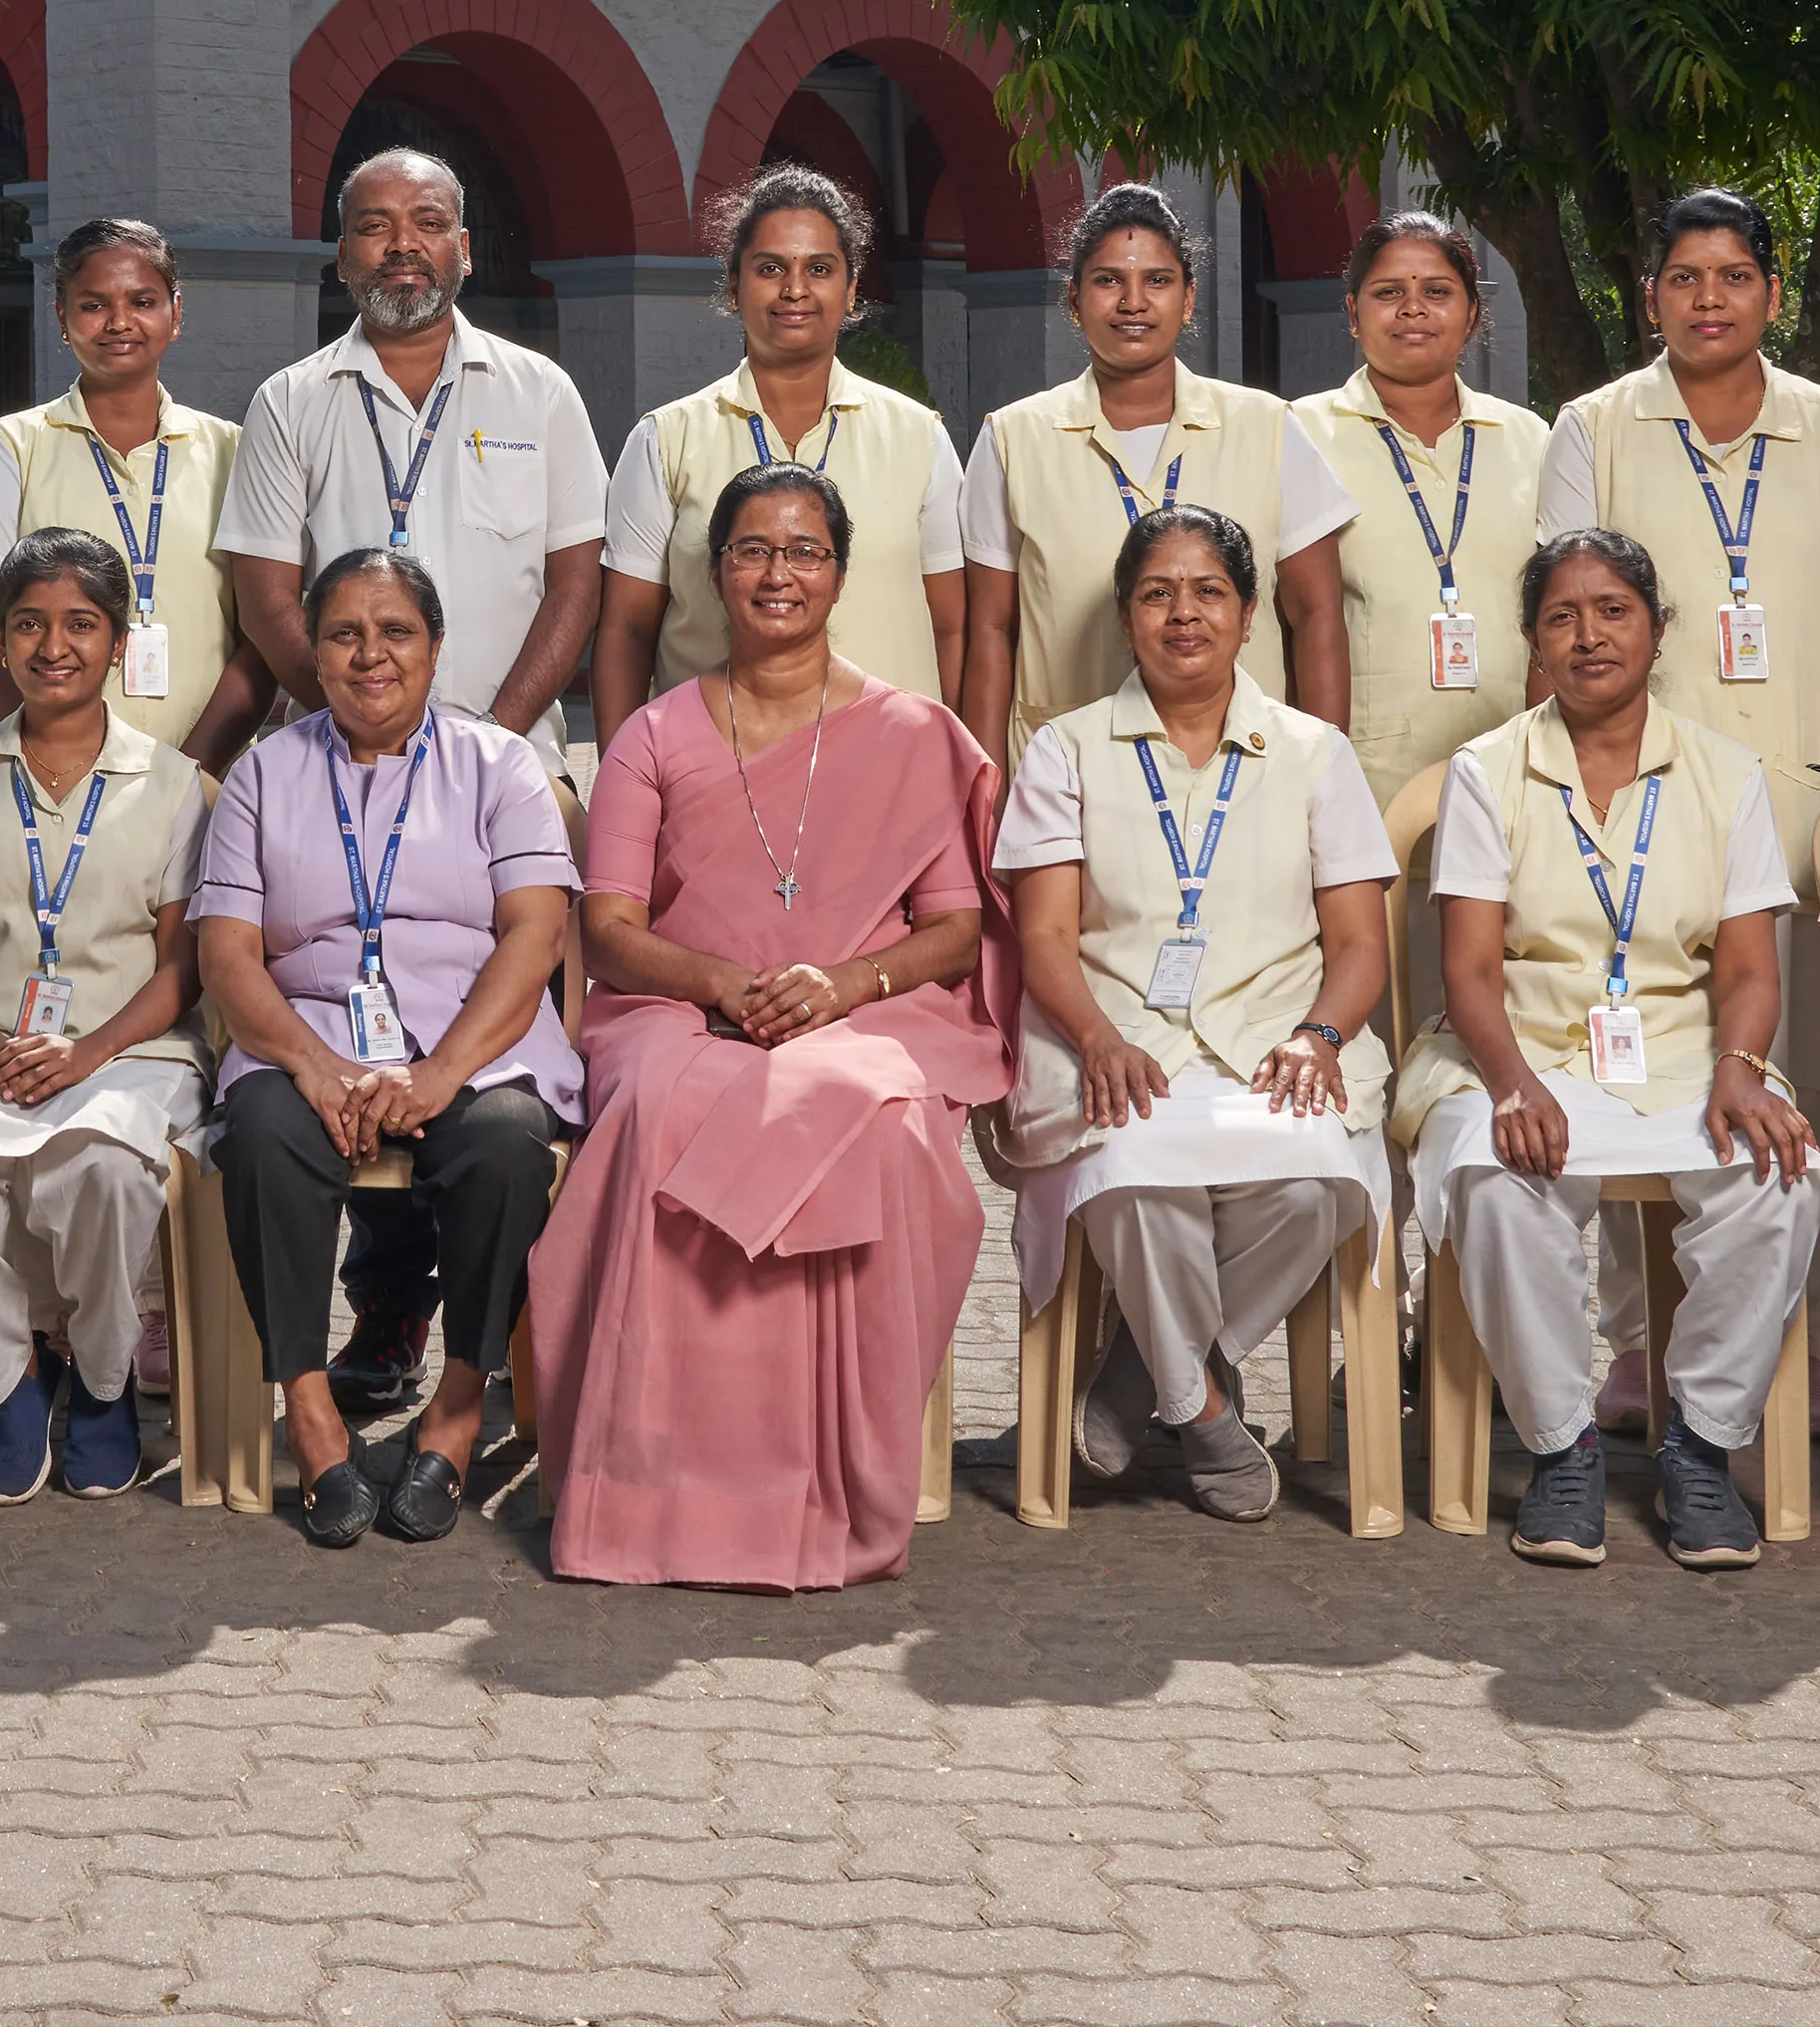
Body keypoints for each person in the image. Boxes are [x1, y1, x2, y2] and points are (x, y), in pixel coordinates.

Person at [537, 464, 1007, 1589]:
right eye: (752, 551)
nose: (777, 573)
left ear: (840, 574)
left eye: (803, 552)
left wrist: (845, 985)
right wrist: (721, 984)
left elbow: (952, 930)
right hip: (678, 1008)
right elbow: (608, 928)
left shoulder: (912, 733)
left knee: (874, 1110)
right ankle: (646, 1496)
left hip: (868, 1006)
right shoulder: (651, 736)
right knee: (661, 1106)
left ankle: (831, 1488)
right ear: (716, 574)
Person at [210, 149, 606, 1437]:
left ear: (465, 247)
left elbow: (576, 582)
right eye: (373, 228)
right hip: (334, 759)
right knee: (349, 983)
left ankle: (463, 1334)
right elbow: (270, 587)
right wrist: (361, 709)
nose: (401, 248)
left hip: (497, 764)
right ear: (342, 255)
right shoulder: (290, 400)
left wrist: (471, 740)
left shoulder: (539, 393)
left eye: (427, 222)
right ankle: (384, 1314)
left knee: (472, 1033)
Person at [1535, 186, 1820, 1429]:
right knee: (1635, 1067)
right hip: (1636, 803)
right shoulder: (1594, 427)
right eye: (1683, 277)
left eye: (1733, 275)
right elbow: (1568, 628)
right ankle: (1640, 1349)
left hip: (1807, 808)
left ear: (1771, 291)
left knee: (1800, 1076)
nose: (1708, 298)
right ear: (1649, 298)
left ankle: (1798, 1348)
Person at [1402, 529, 1820, 1571]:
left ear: (1655, 629)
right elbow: (1467, 970)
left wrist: (1739, 1067)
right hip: (1517, 1044)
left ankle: (1700, 1445)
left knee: (1782, 1179)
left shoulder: (1725, 774)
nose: (1587, 635)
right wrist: (1511, 1086)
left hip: (1686, 1051)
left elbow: (1748, 970)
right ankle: (1560, 1447)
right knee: (1500, 1173)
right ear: (1531, 644)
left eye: (1612, 611)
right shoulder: (1486, 771)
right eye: (1561, 617)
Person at [994, 502, 1397, 1523]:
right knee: (1133, 1177)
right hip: (1116, 1036)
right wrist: (1097, 1037)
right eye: (1157, 593)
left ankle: (1140, 1373)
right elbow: (1042, 937)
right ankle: (1208, 1412)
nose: (1184, 614)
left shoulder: (1312, 752)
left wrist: (1319, 1035)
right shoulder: (1065, 750)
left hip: (1273, 1044)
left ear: (1249, 614)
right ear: (1127, 617)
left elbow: (1357, 946)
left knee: (1314, 1188)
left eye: (1207, 591)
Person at [192, 548, 581, 1547]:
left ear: (436, 647)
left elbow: (534, 935)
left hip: (476, 1042)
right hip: (305, 1036)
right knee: (264, 1137)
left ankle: (455, 1406)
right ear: (311, 654)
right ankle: (314, 1420)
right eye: (343, 634)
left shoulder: (502, 765)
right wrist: (315, 1067)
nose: (371, 655)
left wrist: (439, 1073)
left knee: (502, 1146)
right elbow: (229, 955)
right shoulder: (264, 775)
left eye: (395, 631)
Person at [0, 530, 212, 1504]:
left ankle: (102, 1384)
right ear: (1, 642)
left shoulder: (173, 782)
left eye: (79, 625)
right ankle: (10, 1385)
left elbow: (185, 963)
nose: (51, 646)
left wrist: (89, 1050)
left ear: (118, 638)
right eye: (27, 624)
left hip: (129, 1049)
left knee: (103, 1165)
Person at [955, 180, 1346, 765]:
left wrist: (1324, 773)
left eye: (1157, 281)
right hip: (1066, 777)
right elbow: (990, 631)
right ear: (1074, 299)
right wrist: (983, 800)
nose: (1132, 301)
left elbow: (1317, 615)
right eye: (1108, 280)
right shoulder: (1014, 438)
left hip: (1245, 771)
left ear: (1188, 300)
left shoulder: (1266, 427)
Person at [597, 166, 962, 737]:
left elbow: (952, 627)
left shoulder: (919, 437)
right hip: (718, 772)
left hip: (889, 776)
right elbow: (626, 631)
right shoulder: (667, 438)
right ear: (735, 285)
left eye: (819, 269)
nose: (794, 289)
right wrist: (628, 780)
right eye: (770, 269)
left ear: (851, 288)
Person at [0, 215, 261, 762]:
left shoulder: (234, 450)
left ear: (176, 314)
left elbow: (260, 637)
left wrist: (191, 774)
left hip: (211, 773)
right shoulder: (11, 446)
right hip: (57, 775)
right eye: (93, 304)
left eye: (143, 301)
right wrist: (45, 759)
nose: (119, 322)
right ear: (62, 317)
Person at [1296, 211, 1552, 861]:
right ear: (1354, 315)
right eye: (1389, 293)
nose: (1413, 309)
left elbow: (1555, 616)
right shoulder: (1298, 435)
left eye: (1437, 292)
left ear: (1472, 315)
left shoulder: (1530, 439)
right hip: (1362, 789)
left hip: (1512, 787)